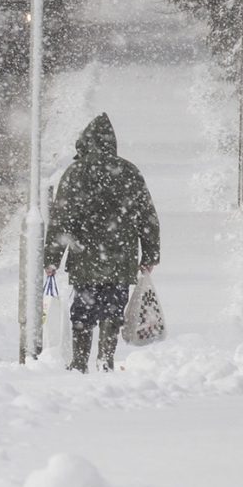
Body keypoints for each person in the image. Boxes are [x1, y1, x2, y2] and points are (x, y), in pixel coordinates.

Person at [44, 113, 160, 371]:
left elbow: (61, 220)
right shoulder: (129, 171)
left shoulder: (75, 173)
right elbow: (147, 216)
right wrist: (150, 254)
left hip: (84, 257)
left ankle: (80, 361)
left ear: (85, 144)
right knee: (113, 308)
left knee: (83, 311)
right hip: (121, 257)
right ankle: (106, 358)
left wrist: (52, 258)